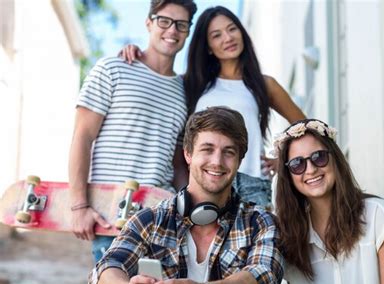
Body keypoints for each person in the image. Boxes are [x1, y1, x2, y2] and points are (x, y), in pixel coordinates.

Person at [88, 107, 284, 284]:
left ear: (239, 161)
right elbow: (102, 273)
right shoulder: (151, 219)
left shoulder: (260, 222)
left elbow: (266, 276)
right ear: (188, 154)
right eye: (207, 149)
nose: (217, 162)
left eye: (228, 152)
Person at [120, 6, 306, 208]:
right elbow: (158, 79)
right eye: (216, 35)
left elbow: (305, 127)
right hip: (205, 183)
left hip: (253, 184)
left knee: (259, 239)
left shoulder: (264, 84)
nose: (227, 38)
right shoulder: (191, 83)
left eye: (232, 29)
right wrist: (137, 54)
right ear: (208, 46)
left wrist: (283, 159)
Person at [68, 0, 198, 263]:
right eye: (164, 21)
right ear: (149, 22)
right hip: (112, 215)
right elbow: (82, 137)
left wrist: (193, 212)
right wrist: (79, 205)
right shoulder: (112, 69)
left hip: (162, 217)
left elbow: (177, 163)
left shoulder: (184, 92)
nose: (172, 30)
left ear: (187, 31)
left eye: (181, 25)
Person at [273, 118, 384, 284]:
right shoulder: (291, 240)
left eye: (319, 157)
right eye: (297, 164)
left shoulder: (381, 218)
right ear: (288, 176)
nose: (310, 169)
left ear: (335, 158)